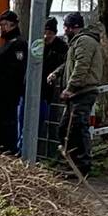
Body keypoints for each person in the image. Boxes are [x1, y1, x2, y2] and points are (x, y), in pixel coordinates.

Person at [58, 12, 104, 174]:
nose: (64, 31)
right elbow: (71, 64)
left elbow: (81, 67)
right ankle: (71, 162)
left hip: (82, 91)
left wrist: (70, 88)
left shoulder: (84, 41)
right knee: (67, 128)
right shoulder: (78, 42)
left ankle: (81, 165)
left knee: (77, 127)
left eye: (65, 27)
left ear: (73, 27)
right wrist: (57, 74)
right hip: (77, 92)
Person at [0, 11, 29, 156]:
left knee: (6, 129)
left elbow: (16, 71)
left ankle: (7, 151)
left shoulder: (18, 44)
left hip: (7, 97)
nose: (0, 28)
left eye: (3, 25)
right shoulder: (7, 44)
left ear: (12, 25)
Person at [38, 16, 67, 160]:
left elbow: (65, 64)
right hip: (41, 89)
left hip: (55, 89)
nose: (47, 35)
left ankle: (53, 153)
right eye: (45, 32)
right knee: (42, 121)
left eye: (50, 32)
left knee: (54, 121)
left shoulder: (61, 47)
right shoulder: (38, 45)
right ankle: (41, 152)